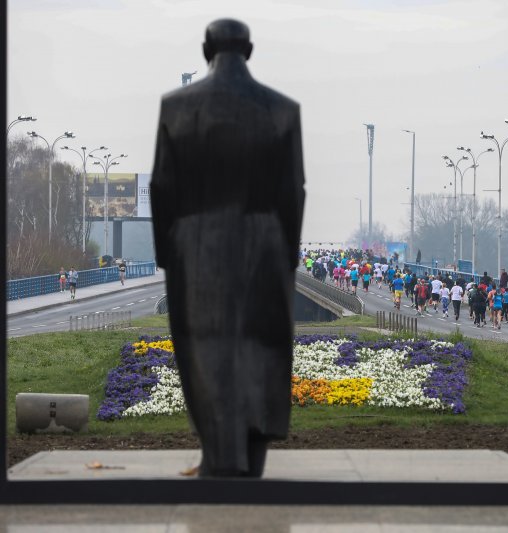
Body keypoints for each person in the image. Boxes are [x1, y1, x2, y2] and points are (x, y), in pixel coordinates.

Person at [150, 19, 305, 478]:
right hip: (266, 241)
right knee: (262, 344)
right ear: (250, 50)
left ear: (205, 49)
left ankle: (220, 456)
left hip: (195, 245)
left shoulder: (177, 108)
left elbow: (162, 187)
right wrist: (288, 255)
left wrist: (167, 255)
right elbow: (293, 190)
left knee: (205, 347)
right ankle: (250, 454)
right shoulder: (282, 110)